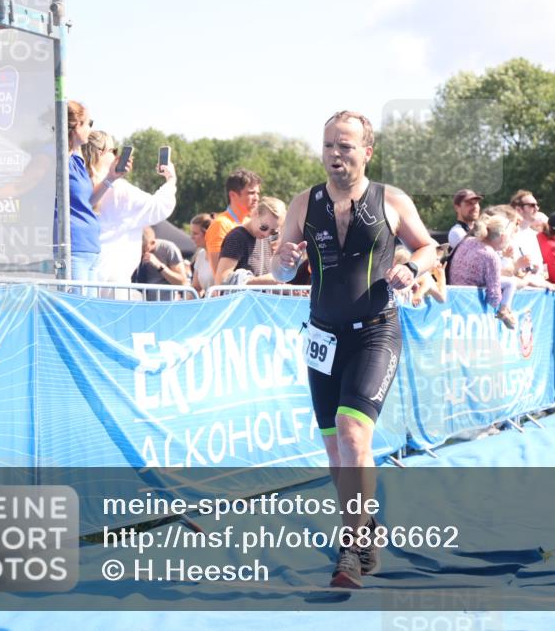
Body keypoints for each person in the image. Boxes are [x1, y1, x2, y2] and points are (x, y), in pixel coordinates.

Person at [270, 111, 436, 589]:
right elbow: (283, 272)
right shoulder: (304, 203)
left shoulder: (392, 200)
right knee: (336, 452)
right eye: (328, 146)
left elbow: (427, 248)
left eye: (345, 146)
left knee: (352, 434)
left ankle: (349, 548)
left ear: (367, 151)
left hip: (375, 332)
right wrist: (284, 262)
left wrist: (414, 268)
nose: (335, 155)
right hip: (323, 338)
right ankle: (366, 528)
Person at [83, 131, 178, 294]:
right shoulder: (121, 190)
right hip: (114, 281)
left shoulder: (80, 183)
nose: (117, 156)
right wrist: (171, 178)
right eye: (114, 151)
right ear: (101, 153)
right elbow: (159, 207)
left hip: (86, 274)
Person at [60, 101, 126, 285]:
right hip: (72, 249)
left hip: (90, 249)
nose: (91, 129)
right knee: (73, 311)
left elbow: (86, 201)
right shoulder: (56, 159)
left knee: (86, 310)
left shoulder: (76, 160)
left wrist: (111, 177)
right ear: (76, 126)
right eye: (89, 123)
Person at [447, 214, 520, 328]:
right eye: (510, 236)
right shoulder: (490, 255)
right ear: (502, 236)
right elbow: (493, 299)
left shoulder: (468, 240)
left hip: (453, 296)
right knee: (511, 283)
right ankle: (504, 311)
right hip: (469, 305)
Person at [214, 198, 287, 286]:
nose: (266, 234)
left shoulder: (267, 239)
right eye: (264, 227)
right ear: (255, 214)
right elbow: (222, 280)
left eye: (273, 232)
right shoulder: (237, 238)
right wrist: (261, 281)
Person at [205, 168, 262, 274]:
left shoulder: (251, 222)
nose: (256, 198)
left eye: (258, 193)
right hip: (234, 289)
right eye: (251, 193)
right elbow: (219, 273)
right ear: (233, 195)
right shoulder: (220, 224)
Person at [131, 226, 189, 301]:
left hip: (164, 305)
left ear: (153, 242)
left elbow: (182, 282)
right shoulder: (133, 251)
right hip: (139, 303)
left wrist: (159, 266)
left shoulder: (168, 249)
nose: (140, 251)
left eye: (143, 247)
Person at [189, 213, 215, 297]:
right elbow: (195, 288)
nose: (191, 237)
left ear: (207, 234)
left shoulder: (222, 254)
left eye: (195, 233)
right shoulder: (201, 254)